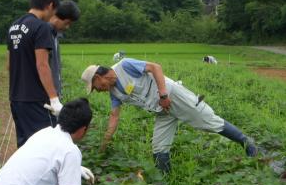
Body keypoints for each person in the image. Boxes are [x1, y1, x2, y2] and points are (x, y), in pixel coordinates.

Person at [81, 58, 258, 173]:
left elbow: (155, 67)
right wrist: (104, 144)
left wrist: (163, 94)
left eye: (95, 87)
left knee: (211, 122)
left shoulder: (124, 66)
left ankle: (249, 144)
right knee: (159, 147)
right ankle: (165, 181)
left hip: (172, 96)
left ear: (98, 76)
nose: (98, 91)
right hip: (161, 110)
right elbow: (114, 117)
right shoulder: (114, 92)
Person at [7, 0, 62, 148]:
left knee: (25, 147)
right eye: (54, 12)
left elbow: (9, 65)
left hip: (16, 98)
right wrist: (54, 99)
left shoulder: (13, 27)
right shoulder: (41, 27)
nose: (52, 17)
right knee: (44, 148)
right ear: (50, 5)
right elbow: (42, 64)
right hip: (37, 100)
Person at [46, 0, 81, 102]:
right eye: (67, 23)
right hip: (45, 97)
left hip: (53, 95)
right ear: (56, 17)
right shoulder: (45, 34)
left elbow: (55, 67)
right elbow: (42, 66)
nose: (67, 27)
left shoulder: (55, 35)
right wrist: (53, 98)